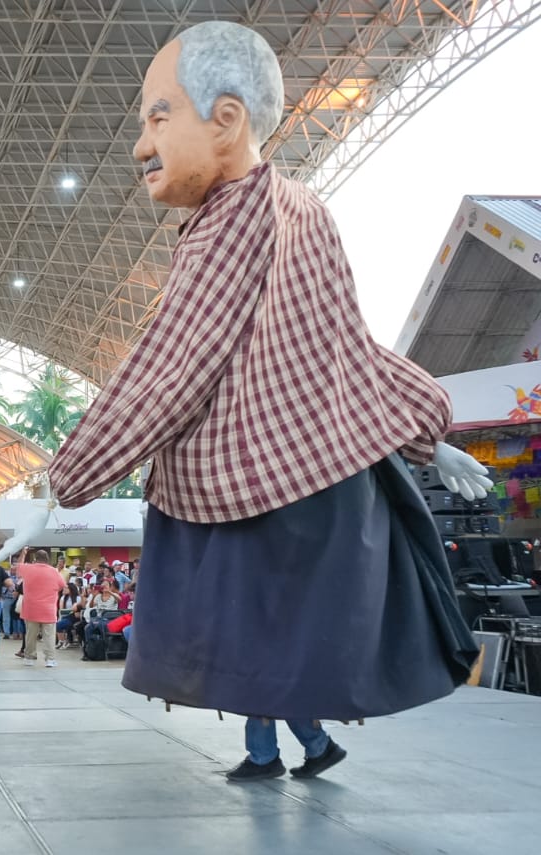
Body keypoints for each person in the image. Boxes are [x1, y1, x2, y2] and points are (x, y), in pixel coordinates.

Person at [47, 21, 486, 781]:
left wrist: (67, 480)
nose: (140, 145)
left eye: (158, 118)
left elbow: (172, 367)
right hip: (328, 486)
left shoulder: (225, 225)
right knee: (281, 644)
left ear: (226, 120)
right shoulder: (304, 206)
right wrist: (427, 433)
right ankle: (298, 746)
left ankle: (281, 749)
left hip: (252, 495)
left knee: (250, 639)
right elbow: (349, 346)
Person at [15, 549, 65, 668]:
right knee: (49, 636)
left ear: (35, 559)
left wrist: (23, 553)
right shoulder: (54, 571)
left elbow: (18, 567)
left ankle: (29, 658)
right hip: (48, 609)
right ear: (47, 559)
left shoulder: (28, 569)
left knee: (30, 635)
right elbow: (62, 585)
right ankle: (50, 659)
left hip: (31, 608)